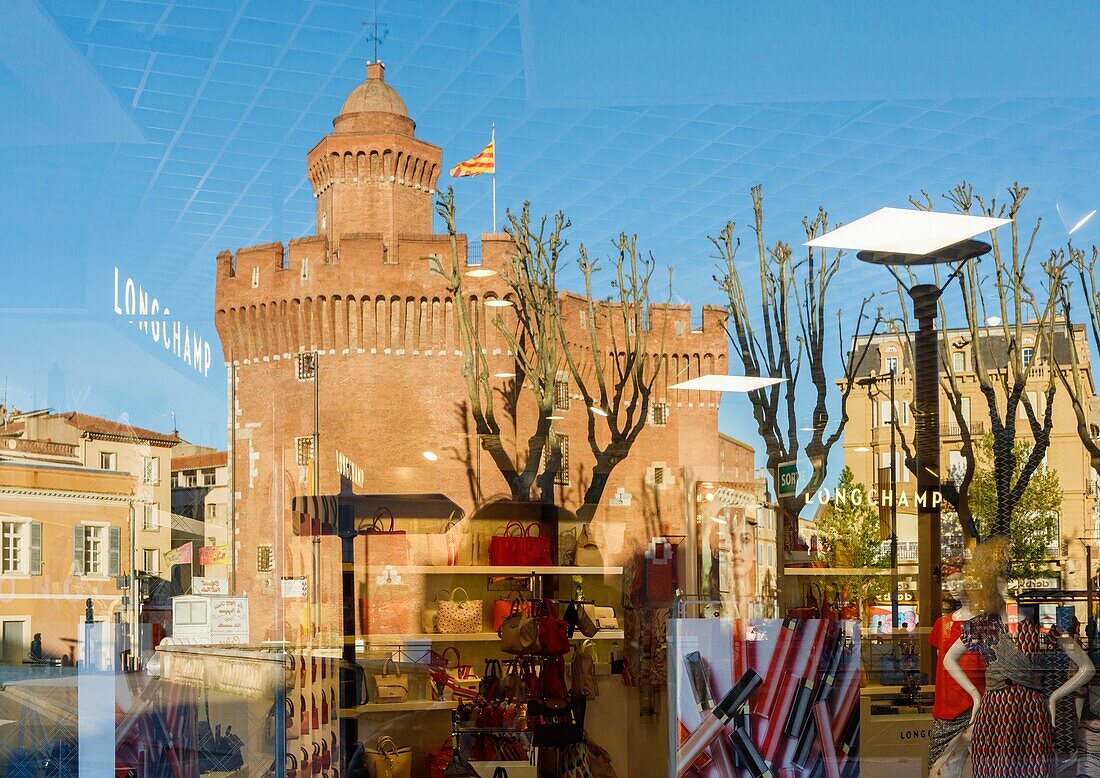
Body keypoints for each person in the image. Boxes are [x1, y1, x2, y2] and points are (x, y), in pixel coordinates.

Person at [942, 539, 1095, 778]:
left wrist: (1054, 697)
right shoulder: (984, 625)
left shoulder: (1041, 626)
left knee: (1033, 770)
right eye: (998, 577)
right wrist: (975, 695)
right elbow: (948, 660)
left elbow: (1087, 667)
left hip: (1032, 713)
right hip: (994, 714)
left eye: (1006, 576)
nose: (1004, 585)